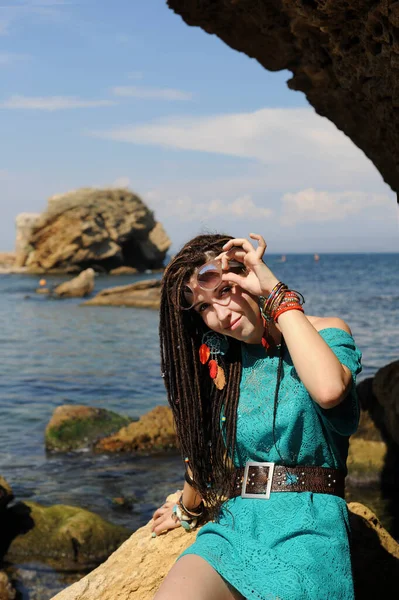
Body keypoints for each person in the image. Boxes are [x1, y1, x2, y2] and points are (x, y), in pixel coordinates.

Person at [152, 233, 362, 600]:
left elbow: (329, 390)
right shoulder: (224, 363)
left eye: (223, 292)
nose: (220, 316)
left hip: (307, 525)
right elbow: (207, 444)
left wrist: (274, 291)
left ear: (247, 275)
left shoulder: (327, 331)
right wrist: (186, 508)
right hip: (233, 527)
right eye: (203, 309)